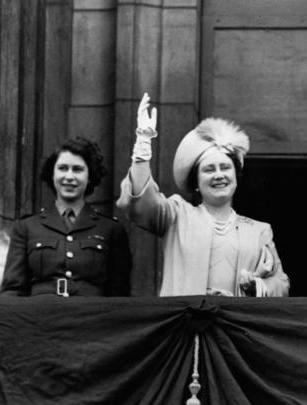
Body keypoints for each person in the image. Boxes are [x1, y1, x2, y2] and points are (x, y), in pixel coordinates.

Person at [116, 93, 289, 297]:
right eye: (209, 170)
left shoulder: (260, 231)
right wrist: (143, 145)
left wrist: (257, 287)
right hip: (185, 325)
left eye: (225, 167)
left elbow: (281, 284)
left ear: (236, 175)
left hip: (234, 327)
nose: (218, 175)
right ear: (196, 183)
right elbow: (141, 205)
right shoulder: (178, 216)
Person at [0, 137, 132, 297]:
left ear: (90, 176)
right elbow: (12, 291)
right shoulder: (27, 227)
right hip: (40, 318)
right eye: (62, 168)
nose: (69, 176)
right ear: (52, 173)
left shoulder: (111, 230)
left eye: (77, 169)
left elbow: (119, 296)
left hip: (91, 318)